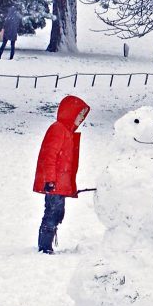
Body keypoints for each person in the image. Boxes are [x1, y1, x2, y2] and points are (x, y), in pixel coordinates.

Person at [33, 95, 90, 254]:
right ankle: (45, 247)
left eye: (81, 116)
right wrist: (50, 180)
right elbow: (49, 155)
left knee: (57, 214)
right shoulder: (58, 129)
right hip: (54, 183)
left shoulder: (66, 131)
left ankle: (47, 243)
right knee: (51, 213)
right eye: (78, 115)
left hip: (60, 183)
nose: (80, 119)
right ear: (70, 112)